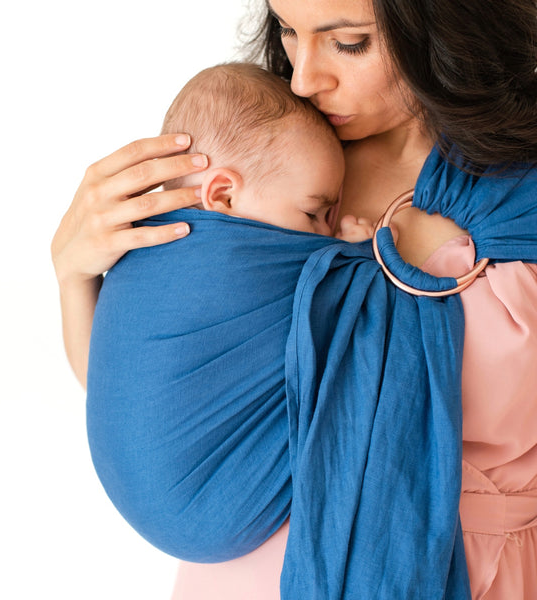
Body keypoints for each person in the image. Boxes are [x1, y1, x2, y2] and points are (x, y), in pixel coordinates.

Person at [51, 1, 537, 599]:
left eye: (349, 42)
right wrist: (73, 275)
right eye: (287, 30)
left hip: (483, 572)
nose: (304, 78)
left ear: (444, 24)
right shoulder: (264, 167)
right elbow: (160, 397)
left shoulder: (522, 196)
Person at [159, 62, 373, 241]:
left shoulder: (144, 245)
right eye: (311, 214)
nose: (328, 232)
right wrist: (354, 254)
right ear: (223, 196)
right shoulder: (250, 261)